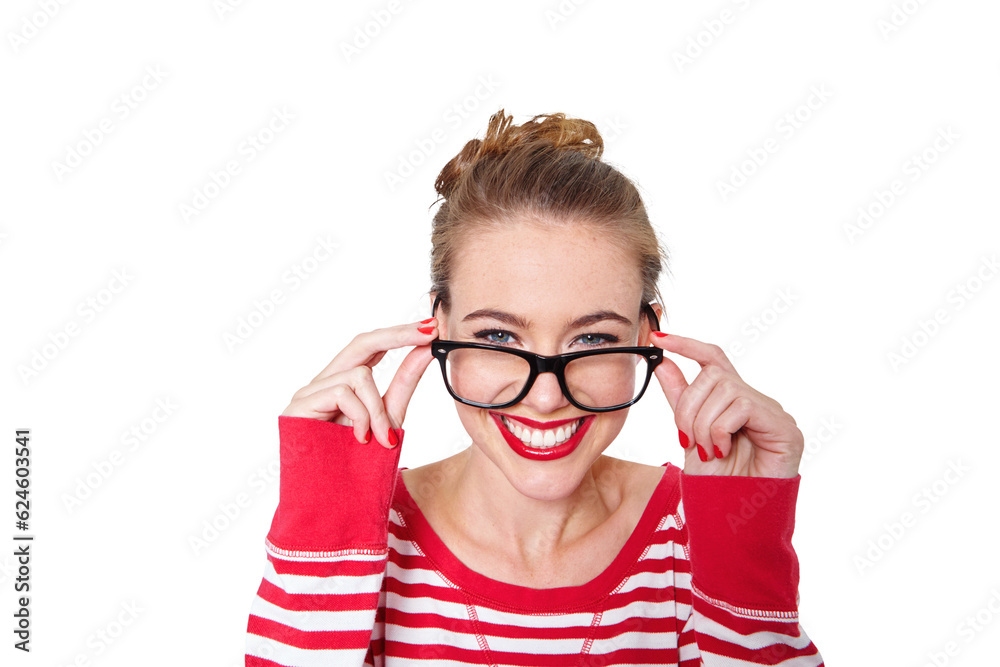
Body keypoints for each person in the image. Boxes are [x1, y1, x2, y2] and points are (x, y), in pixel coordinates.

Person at [245, 109, 824, 666]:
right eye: (498, 335)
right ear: (438, 327)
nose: (546, 397)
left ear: (649, 336)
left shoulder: (695, 536)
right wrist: (323, 527)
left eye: (593, 340)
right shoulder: (362, 537)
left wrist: (742, 536)